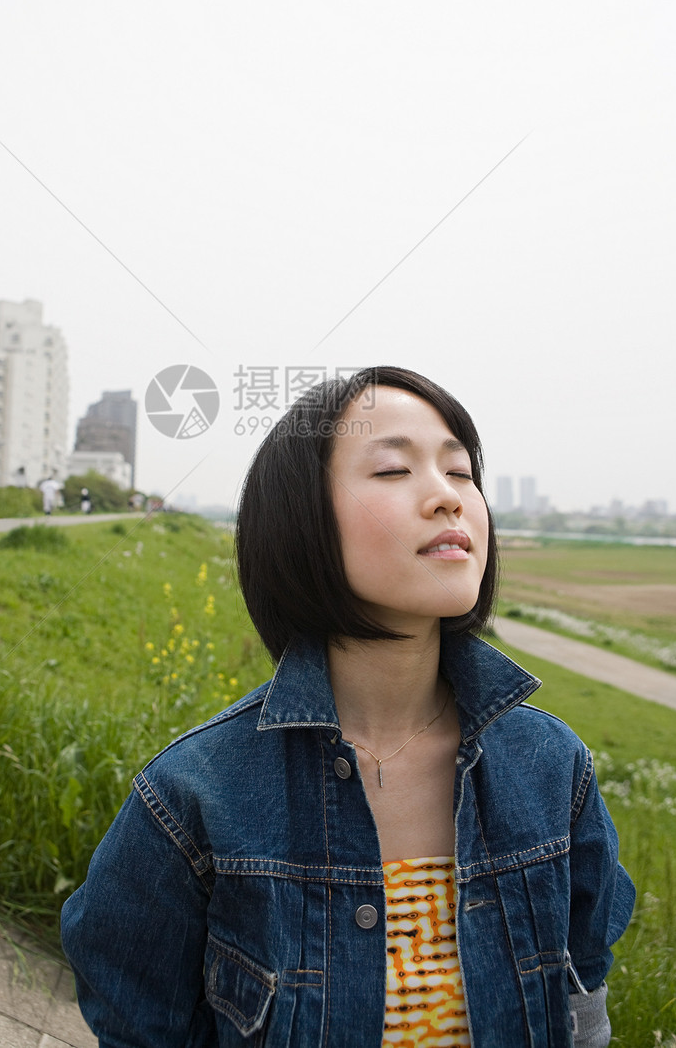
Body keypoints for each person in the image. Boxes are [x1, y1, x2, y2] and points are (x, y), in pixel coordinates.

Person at [61, 367, 635, 1047]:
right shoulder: (190, 800)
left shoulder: (553, 768)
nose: (448, 497)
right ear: (301, 521)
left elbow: (583, 1011)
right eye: (394, 469)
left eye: (460, 471)